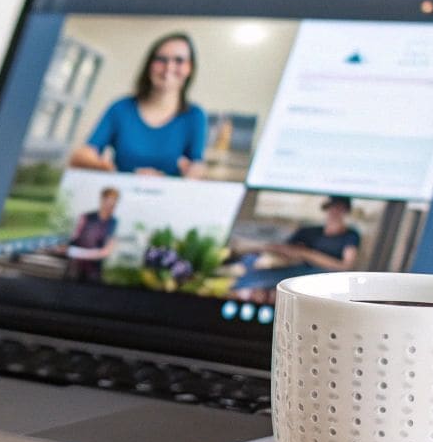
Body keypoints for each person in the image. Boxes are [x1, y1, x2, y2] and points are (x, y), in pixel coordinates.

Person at [68, 32, 209, 178]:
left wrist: (192, 173)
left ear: (190, 68)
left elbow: (197, 164)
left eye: (179, 60)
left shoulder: (195, 116)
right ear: (150, 65)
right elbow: (85, 153)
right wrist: (103, 167)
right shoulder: (121, 108)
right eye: (161, 59)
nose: (169, 67)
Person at [232, 196, 363, 299]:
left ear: (346, 210)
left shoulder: (351, 235)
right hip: (296, 268)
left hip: (323, 276)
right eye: (332, 207)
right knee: (252, 265)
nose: (335, 212)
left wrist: (307, 254)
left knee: (268, 279)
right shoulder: (310, 231)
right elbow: (287, 249)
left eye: (339, 208)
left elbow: (345, 266)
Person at [65, 187, 120, 282]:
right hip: (76, 266)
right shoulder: (86, 217)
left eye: (114, 200)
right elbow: (74, 237)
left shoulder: (113, 222)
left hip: (94, 269)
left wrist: (73, 252)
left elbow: (106, 251)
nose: (111, 203)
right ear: (102, 199)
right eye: (109, 200)